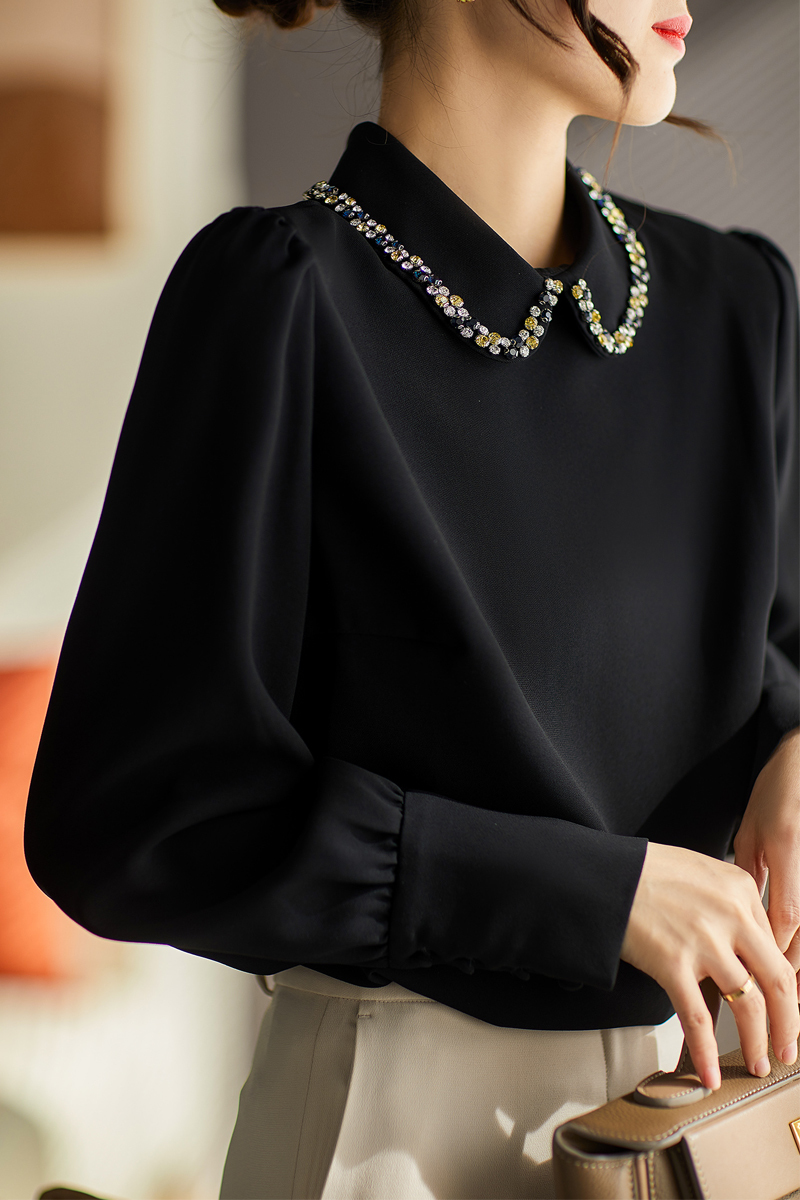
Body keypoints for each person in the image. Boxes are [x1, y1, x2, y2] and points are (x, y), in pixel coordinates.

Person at [23, 0, 799, 1196]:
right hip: (384, 1131)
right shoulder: (278, 298)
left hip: (691, 1118)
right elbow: (128, 820)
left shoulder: (735, 306)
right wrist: (591, 893)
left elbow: (778, 657)